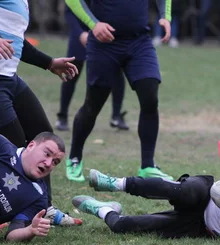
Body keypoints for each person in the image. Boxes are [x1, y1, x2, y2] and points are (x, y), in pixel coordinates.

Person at [71, 139, 220, 245]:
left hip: (200, 226)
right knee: (185, 191)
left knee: (125, 227)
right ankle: (114, 182)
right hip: (205, 193)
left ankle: (103, 209)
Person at [0, 0, 82, 226]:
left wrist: (49, 62)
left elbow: (15, 42)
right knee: (10, 149)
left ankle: (44, 208)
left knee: (42, 136)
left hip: (8, 77)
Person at [64, 0, 173, 183]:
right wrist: (93, 24)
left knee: (150, 98)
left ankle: (147, 166)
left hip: (140, 42)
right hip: (103, 45)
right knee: (93, 104)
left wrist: (165, 17)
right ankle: (75, 158)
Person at [0, 132, 68, 241]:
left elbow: (12, 235)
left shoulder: (39, 198)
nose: (48, 163)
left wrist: (30, 230)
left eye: (55, 162)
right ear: (31, 146)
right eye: (47, 154)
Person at [56, 4, 128, 132]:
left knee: (117, 72)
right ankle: (62, 116)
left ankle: (116, 116)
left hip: (105, 33)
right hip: (81, 34)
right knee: (71, 73)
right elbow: (70, 10)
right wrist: (79, 33)